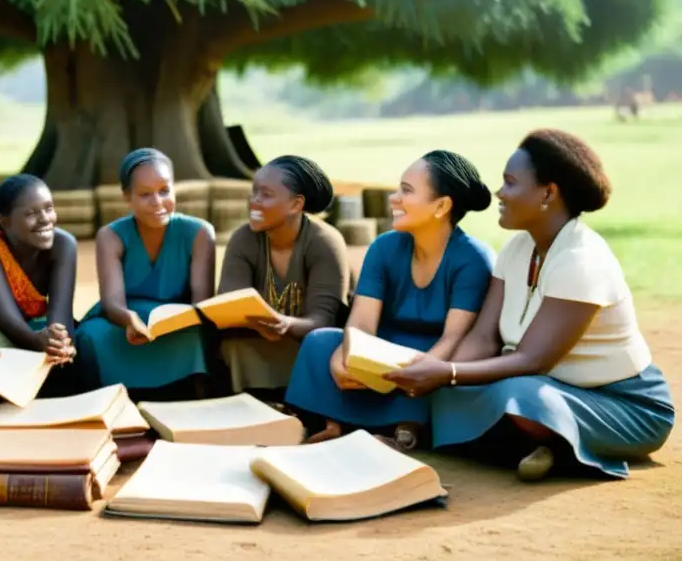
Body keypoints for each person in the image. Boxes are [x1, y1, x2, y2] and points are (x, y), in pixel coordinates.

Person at [386, 130, 675, 480]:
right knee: (453, 394)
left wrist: (447, 373)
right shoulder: (517, 249)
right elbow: (483, 339)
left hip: (624, 405)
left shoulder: (582, 260)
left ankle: (550, 449)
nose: (499, 193)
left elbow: (533, 360)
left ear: (548, 193)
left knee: (518, 395)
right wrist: (438, 376)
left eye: (510, 183)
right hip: (545, 387)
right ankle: (539, 448)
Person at [285, 150, 494, 450]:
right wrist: (345, 356)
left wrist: (422, 371)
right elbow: (361, 323)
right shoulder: (384, 247)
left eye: (406, 191)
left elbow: (453, 339)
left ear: (441, 206)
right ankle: (335, 423)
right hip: (380, 351)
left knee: (437, 368)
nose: (394, 198)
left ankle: (404, 431)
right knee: (320, 342)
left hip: (432, 358)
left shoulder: (473, 258)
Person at [75, 148, 217, 398]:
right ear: (127, 197)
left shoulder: (200, 233)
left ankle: (194, 399)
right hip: (122, 320)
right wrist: (130, 321)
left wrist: (172, 323)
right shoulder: (110, 236)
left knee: (195, 335)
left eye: (164, 191)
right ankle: (102, 403)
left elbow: (201, 302)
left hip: (179, 320)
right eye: (144, 194)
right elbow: (112, 302)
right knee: (90, 336)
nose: (158, 202)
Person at [216, 155, 352, 397]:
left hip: (306, 345)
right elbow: (229, 302)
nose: (254, 201)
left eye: (266, 195)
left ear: (296, 204)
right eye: (254, 191)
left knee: (322, 342)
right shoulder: (243, 239)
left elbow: (323, 319)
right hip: (254, 343)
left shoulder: (324, 243)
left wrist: (285, 324)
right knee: (230, 343)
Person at [0, 174, 78, 393]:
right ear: (5, 221)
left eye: (48, 208)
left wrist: (60, 342)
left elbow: (61, 313)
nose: (45, 219)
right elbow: (7, 319)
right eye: (31, 213)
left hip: (37, 330)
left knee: (73, 355)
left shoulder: (64, 244)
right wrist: (37, 341)